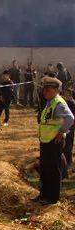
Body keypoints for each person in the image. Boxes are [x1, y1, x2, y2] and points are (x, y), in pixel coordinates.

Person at [34, 77, 75, 205]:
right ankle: (43, 195)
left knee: (53, 169)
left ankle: (52, 198)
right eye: (44, 89)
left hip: (54, 142)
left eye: (48, 89)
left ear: (56, 90)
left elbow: (70, 118)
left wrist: (62, 131)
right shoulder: (50, 102)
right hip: (46, 140)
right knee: (45, 169)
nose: (44, 92)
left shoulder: (59, 103)